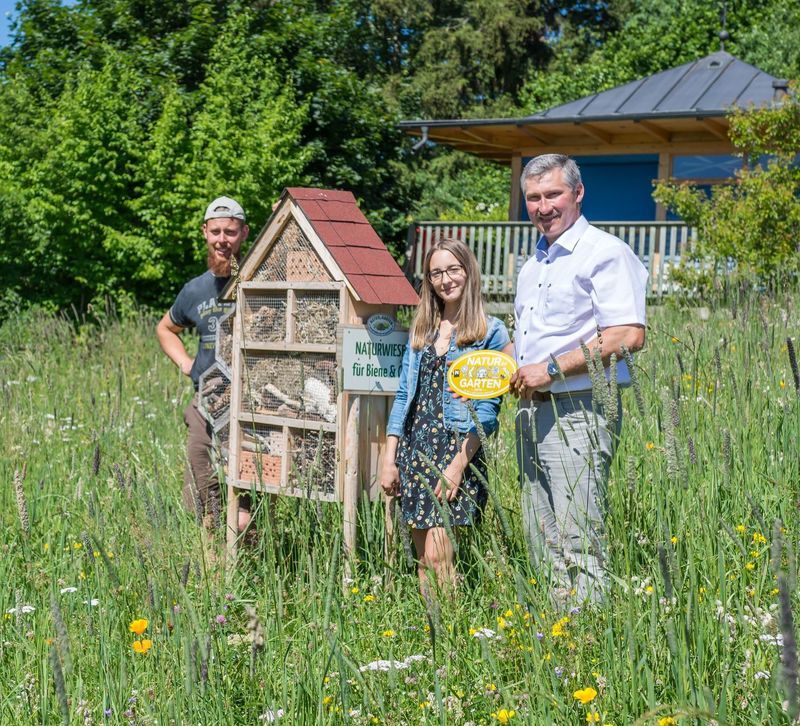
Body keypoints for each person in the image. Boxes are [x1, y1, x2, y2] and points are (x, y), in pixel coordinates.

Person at [509, 154, 648, 605]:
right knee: (540, 534)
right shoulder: (533, 266)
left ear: (578, 193)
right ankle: (562, 636)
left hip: (580, 409)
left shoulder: (605, 252)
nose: (543, 206)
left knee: (577, 538)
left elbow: (627, 334)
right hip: (532, 411)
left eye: (553, 194)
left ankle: (589, 645)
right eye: (533, 198)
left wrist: (549, 369)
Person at [380, 238, 510, 595]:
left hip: (455, 451)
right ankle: (431, 635)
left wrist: (457, 466)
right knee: (422, 557)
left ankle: (450, 640)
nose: (445, 279)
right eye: (436, 272)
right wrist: (389, 457)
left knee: (440, 557)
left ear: (469, 272)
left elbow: (487, 413)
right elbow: (405, 395)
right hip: (415, 449)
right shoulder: (422, 330)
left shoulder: (489, 332)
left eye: (453, 269)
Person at [156, 196, 251, 534]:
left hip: (249, 406)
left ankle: (248, 558)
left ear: (244, 234)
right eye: (216, 232)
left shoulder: (256, 282)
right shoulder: (195, 289)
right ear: (205, 233)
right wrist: (186, 364)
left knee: (245, 501)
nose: (222, 239)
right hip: (204, 404)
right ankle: (209, 562)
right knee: (201, 487)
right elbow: (165, 328)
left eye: (230, 231)